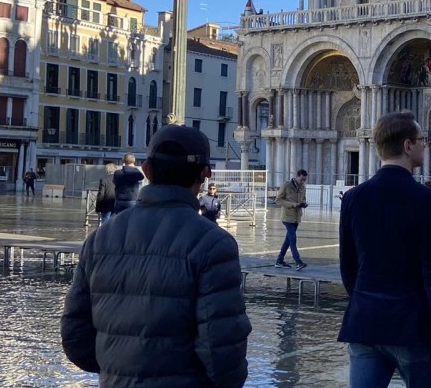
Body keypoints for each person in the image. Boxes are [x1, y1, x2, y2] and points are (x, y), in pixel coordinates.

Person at [61, 124, 250, 387]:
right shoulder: (214, 244)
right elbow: (223, 350)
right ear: (205, 174)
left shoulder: (100, 239)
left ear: (147, 170)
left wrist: (120, 365)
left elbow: (75, 336)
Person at [338, 110, 431, 387]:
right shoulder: (426, 199)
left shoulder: (353, 198)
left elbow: (348, 268)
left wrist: (364, 301)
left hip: (364, 323)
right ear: (407, 145)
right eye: (421, 139)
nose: (424, 145)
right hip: (412, 327)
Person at [274, 169, 309, 269]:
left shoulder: (303, 187)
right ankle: (298, 261)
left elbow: (303, 198)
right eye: (302, 179)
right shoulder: (286, 185)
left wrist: (303, 203)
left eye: (304, 180)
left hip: (297, 217)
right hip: (287, 216)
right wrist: (293, 205)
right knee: (292, 238)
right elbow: (278, 200)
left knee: (288, 240)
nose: (303, 182)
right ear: (297, 176)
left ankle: (279, 261)